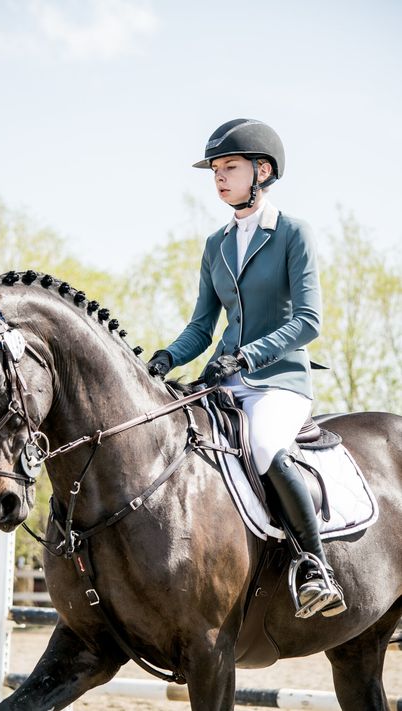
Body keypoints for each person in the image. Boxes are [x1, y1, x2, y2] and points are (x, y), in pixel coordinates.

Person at [147, 118, 345, 619]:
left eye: (229, 167)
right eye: (215, 169)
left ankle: (315, 566)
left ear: (263, 170)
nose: (219, 177)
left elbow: (308, 321)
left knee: (263, 445)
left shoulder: (293, 233)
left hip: (279, 380)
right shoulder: (216, 245)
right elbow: (201, 326)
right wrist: (168, 356)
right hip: (222, 380)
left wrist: (251, 355)